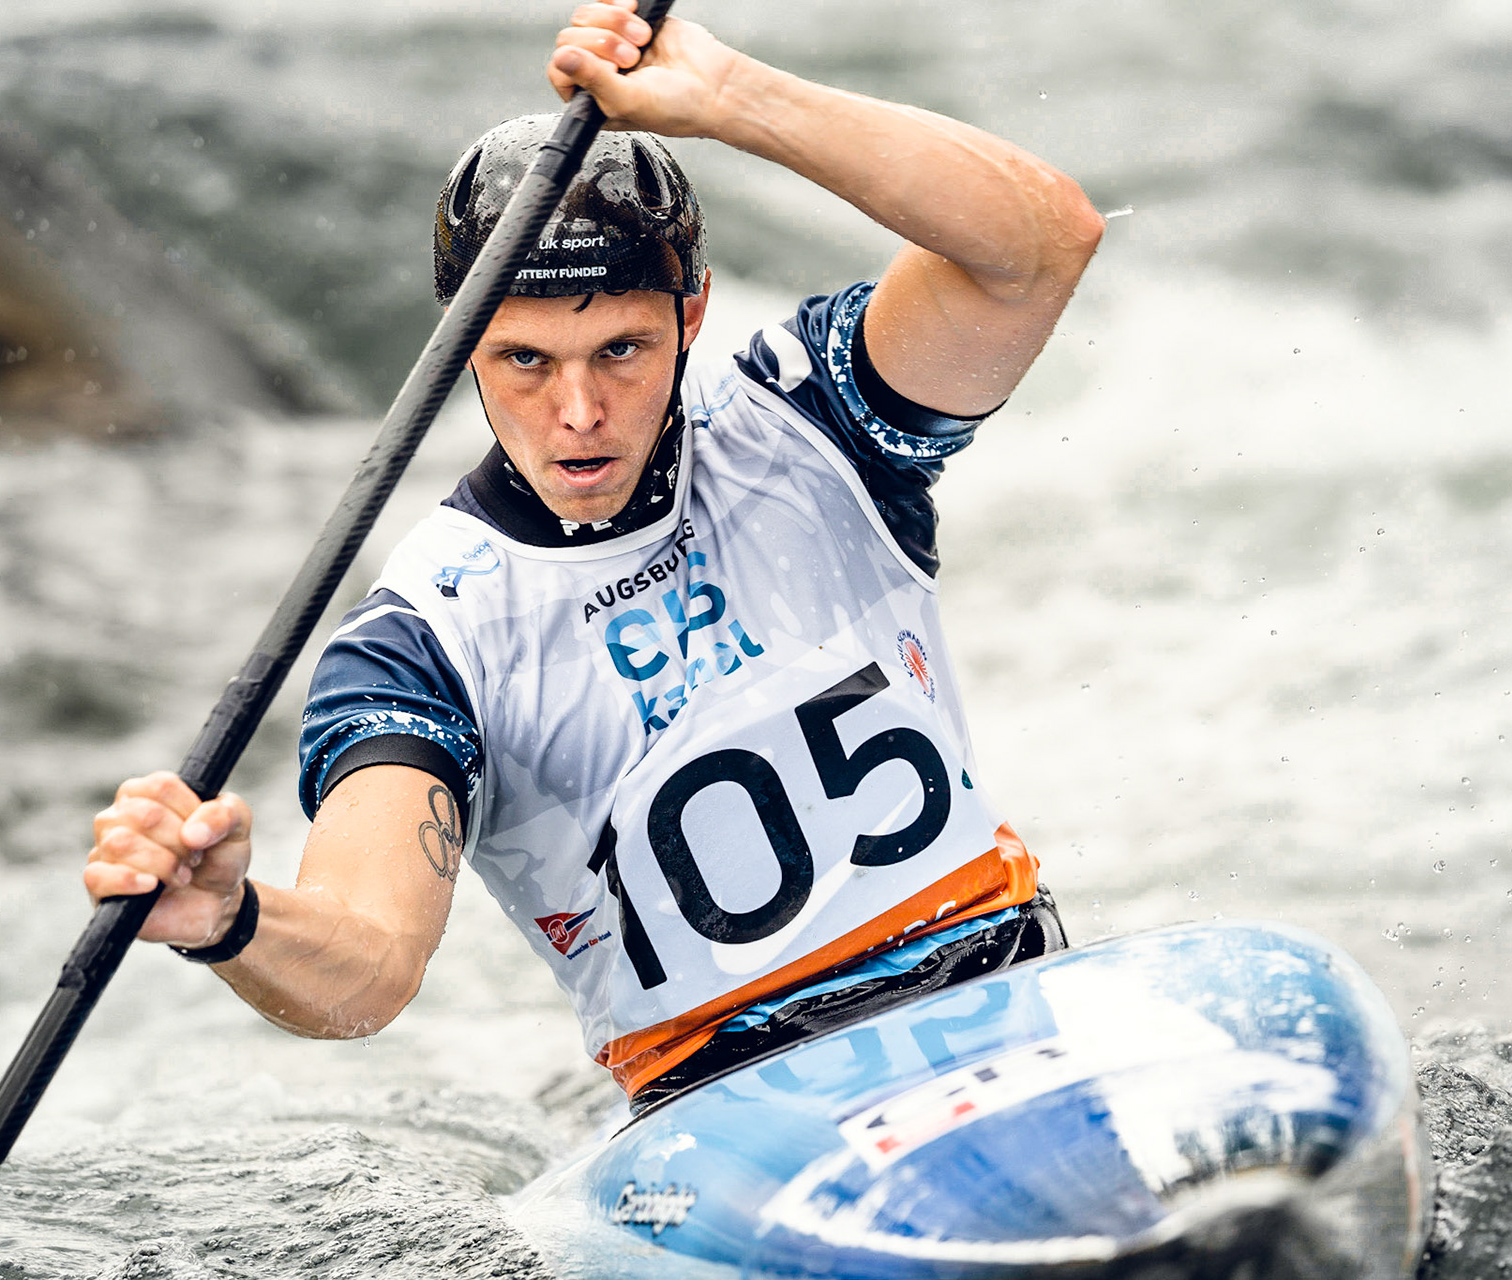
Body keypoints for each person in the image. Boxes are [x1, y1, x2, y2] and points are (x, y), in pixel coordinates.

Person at [84, 0, 1104, 1111]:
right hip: (734, 1106)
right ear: (461, 346)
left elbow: (1041, 247)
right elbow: (372, 964)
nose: (578, 411)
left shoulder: (812, 424)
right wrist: (231, 916)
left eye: (622, 347)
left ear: (693, 310)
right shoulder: (423, 642)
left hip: (1009, 992)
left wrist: (730, 100)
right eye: (524, 359)